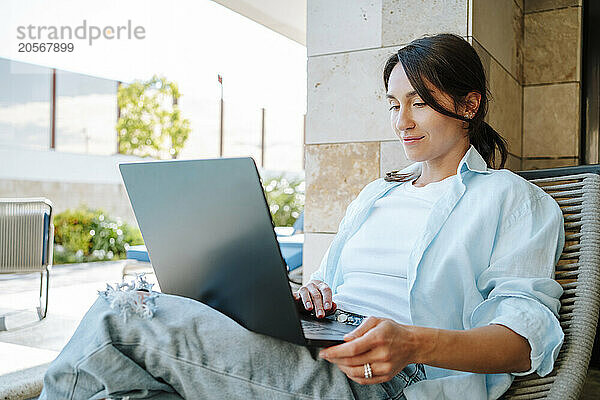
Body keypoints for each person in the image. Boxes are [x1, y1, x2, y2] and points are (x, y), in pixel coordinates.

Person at [40, 33, 565, 400]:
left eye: (419, 102)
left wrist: (410, 343)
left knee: (124, 316)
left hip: (390, 386)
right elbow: (331, 287)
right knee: (130, 381)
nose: (401, 121)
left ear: (469, 105)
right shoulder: (375, 197)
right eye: (392, 103)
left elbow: (523, 341)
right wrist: (309, 296)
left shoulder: (512, 200)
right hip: (311, 357)